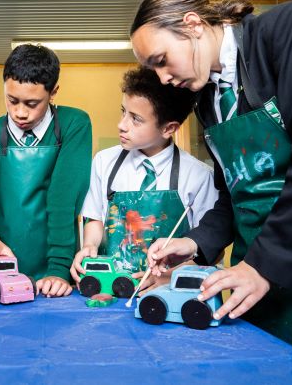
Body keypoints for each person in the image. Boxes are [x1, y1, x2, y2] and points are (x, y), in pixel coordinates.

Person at [130, 0, 292, 381]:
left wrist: (262, 265)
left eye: (161, 60)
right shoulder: (207, 99)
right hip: (262, 266)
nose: (162, 77)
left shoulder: (288, 29)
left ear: (192, 25)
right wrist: (195, 242)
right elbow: (235, 192)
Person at [70, 66, 218, 293]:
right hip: (109, 289)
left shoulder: (198, 176)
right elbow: (96, 218)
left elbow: (210, 248)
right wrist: (89, 246)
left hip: (168, 291)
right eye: (123, 112)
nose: (122, 124)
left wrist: (173, 275)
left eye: (136, 119)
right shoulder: (104, 162)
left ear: (169, 128)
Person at [0, 44, 92, 297]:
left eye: (32, 103)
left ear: (53, 92)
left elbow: (63, 197)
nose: (20, 113)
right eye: (12, 100)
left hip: (59, 271)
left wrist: (58, 270)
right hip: (0, 268)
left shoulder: (74, 124)